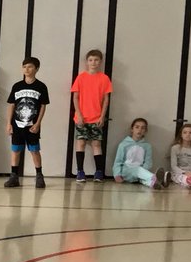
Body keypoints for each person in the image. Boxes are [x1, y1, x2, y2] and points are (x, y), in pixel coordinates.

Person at [4, 57, 50, 189]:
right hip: (17, 125)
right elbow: (11, 105)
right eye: (24, 67)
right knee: (16, 150)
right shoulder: (17, 86)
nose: (26, 69)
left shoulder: (41, 86)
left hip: (32, 126)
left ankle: (39, 176)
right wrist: (9, 123)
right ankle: (14, 176)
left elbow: (43, 106)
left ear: (36, 69)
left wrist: (38, 123)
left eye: (30, 67)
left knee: (34, 150)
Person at [71, 49, 113, 182]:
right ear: (87, 62)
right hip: (81, 118)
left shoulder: (104, 78)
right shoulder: (81, 77)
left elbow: (106, 99)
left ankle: (99, 172)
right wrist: (79, 114)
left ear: (100, 62)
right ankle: (80, 171)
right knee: (81, 143)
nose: (93, 62)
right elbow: (75, 97)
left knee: (96, 144)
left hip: (97, 118)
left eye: (96, 60)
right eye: (90, 60)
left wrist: (102, 116)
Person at [112, 117, 168, 189]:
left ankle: (154, 183)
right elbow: (118, 161)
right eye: (137, 127)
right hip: (126, 172)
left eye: (143, 128)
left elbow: (148, 162)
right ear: (132, 129)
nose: (139, 130)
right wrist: (117, 175)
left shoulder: (147, 146)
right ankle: (157, 179)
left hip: (140, 172)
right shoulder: (123, 145)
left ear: (145, 131)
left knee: (144, 179)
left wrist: (143, 171)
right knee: (138, 170)